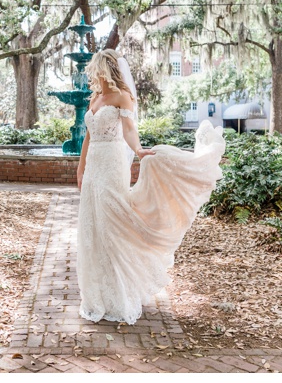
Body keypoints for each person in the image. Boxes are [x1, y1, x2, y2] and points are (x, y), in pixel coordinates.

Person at [75, 48, 226, 324]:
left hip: (111, 163)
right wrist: (80, 166)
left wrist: (139, 150)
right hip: (94, 165)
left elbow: (130, 131)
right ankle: (96, 295)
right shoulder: (95, 98)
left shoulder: (123, 96)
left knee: (112, 224)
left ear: (108, 69)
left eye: (97, 69)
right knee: (92, 225)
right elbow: (87, 135)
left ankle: (120, 293)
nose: (94, 75)